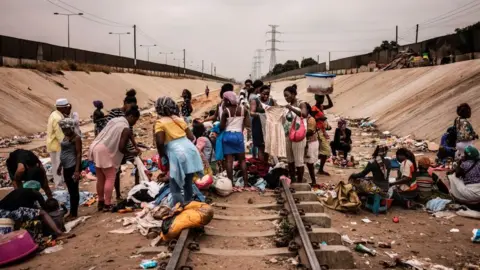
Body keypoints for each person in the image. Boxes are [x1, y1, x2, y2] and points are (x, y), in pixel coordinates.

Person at [89, 106, 141, 211]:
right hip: (104, 150)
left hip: (95, 146)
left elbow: (129, 134)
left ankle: (101, 202)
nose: (134, 123)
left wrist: (135, 145)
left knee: (100, 178)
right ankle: (107, 204)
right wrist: (132, 152)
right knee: (110, 177)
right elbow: (121, 148)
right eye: (135, 120)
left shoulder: (116, 120)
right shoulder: (125, 128)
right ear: (131, 116)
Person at [154, 97, 203, 206]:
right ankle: (188, 205)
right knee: (188, 183)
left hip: (177, 152)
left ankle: (178, 209)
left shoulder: (160, 123)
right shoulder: (179, 120)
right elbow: (191, 137)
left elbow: (160, 142)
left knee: (175, 186)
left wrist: (163, 156)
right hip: (190, 150)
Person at [103, 89, 140, 199]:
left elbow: (130, 131)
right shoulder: (115, 112)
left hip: (126, 142)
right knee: (116, 170)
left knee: (138, 163)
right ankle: (118, 194)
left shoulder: (130, 114)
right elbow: (107, 127)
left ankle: (137, 189)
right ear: (125, 104)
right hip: (115, 144)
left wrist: (135, 146)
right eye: (130, 106)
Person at [0, 182, 71, 239]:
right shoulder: (35, 193)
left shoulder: (19, 191)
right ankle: (59, 233)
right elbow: (44, 208)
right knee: (43, 213)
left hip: (2, 211)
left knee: (19, 221)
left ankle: (18, 240)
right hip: (11, 211)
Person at [220, 91, 250, 186]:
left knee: (229, 161)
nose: (223, 101)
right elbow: (248, 124)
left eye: (224, 100)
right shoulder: (243, 109)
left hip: (227, 136)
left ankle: (230, 185)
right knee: (242, 160)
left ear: (227, 101)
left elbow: (221, 126)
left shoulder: (226, 111)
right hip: (238, 136)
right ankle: (245, 183)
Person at [56, 118, 82, 218]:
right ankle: (72, 211)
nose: (64, 131)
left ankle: (74, 212)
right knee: (71, 190)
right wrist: (60, 166)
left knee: (74, 190)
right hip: (66, 166)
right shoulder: (65, 137)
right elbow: (63, 152)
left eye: (66, 129)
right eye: (63, 129)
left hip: (73, 166)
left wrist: (77, 170)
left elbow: (79, 154)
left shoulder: (76, 138)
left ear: (71, 128)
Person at [284, 85, 308, 182]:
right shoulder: (288, 106)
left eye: (287, 95)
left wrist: (292, 108)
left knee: (298, 160)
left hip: (298, 135)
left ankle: (300, 181)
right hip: (289, 134)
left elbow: (304, 114)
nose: (286, 98)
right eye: (284, 96)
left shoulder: (301, 103)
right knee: (290, 159)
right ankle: (293, 179)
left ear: (293, 94)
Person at [47, 98, 70, 187]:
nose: (67, 109)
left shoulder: (54, 114)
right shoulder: (57, 118)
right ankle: (59, 184)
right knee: (58, 165)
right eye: (66, 107)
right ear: (62, 108)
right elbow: (60, 134)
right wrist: (66, 144)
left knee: (55, 164)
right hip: (57, 145)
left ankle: (59, 183)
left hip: (52, 144)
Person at [311, 94, 333, 176]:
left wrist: (327, 94)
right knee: (325, 150)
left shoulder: (321, 107)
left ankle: (320, 169)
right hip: (317, 131)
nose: (322, 99)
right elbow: (311, 118)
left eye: (323, 97)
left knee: (322, 151)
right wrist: (320, 119)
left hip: (322, 131)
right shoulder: (314, 108)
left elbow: (331, 105)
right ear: (316, 98)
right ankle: (319, 169)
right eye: (320, 97)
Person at [250, 85, 272, 164]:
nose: (266, 95)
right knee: (261, 147)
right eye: (264, 94)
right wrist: (260, 115)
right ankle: (261, 166)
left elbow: (276, 110)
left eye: (267, 94)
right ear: (260, 93)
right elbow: (251, 112)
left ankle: (265, 164)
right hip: (258, 126)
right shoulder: (255, 101)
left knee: (267, 147)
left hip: (268, 126)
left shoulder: (271, 101)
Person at [304, 103, 319, 185]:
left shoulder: (311, 119)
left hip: (311, 143)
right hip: (306, 142)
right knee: (306, 162)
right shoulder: (303, 118)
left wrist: (298, 133)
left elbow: (310, 131)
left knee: (310, 163)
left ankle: (313, 181)